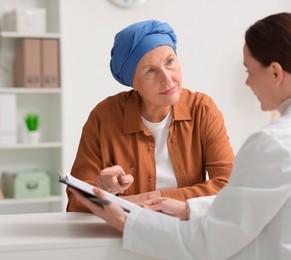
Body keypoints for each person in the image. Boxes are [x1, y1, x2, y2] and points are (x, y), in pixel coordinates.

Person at [69, 12, 291, 259]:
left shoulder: (274, 141)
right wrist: (188, 206)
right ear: (132, 81)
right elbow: (250, 205)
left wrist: (127, 220)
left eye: (248, 70)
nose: (247, 83)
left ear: (276, 72)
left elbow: (210, 240)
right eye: (150, 71)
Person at [66, 20, 234, 212]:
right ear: (133, 82)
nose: (167, 78)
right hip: (123, 235)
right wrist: (103, 190)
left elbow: (230, 186)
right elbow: (76, 202)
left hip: (186, 231)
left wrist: (154, 198)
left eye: (170, 61)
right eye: (151, 71)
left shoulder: (202, 109)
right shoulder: (104, 118)